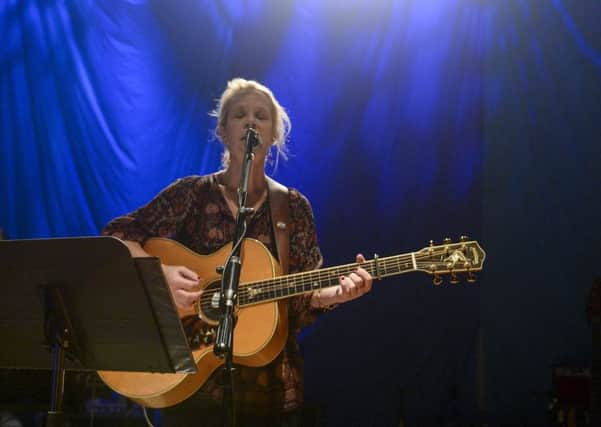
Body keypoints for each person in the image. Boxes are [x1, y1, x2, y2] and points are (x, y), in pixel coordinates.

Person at [103, 78, 372, 426]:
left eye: (261, 115)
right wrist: (160, 276)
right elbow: (117, 236)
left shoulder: (291, 208)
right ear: (223, 131)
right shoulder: (192, 194)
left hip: (269, 394)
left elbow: (300, 300)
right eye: (239, 114)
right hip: (192, 388)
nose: (250, 122)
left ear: (273, 134)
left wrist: (334, 294)